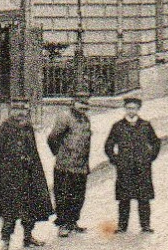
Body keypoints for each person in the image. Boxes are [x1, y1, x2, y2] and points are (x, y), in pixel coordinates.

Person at [0, 99, 54, 250]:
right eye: (17, 109)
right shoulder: (6, 127)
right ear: (12, 111)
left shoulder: (28, 128)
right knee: (9, 210)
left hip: (27, 174)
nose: (21, 112)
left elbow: (33, 151)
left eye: (23, 109)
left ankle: (28, 236)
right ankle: (6, 240)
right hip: (9, 177)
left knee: (29, 208)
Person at [104, 96, 161, 233]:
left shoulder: (146, 125)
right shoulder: (118, 126)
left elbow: (156, 142)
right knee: (124, 198)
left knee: (144, 197)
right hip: (125, 168)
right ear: (125, 109)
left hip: (142, 168)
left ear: (138, 109)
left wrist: (149, 157)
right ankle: (122, 225)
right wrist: (115, 160)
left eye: (134, 108)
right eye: (128, 108)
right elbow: (109, 145)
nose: (131, 111)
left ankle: (145, 225)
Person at [45, 93, 93, 237]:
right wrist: (59, 153)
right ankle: (63, 224)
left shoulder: (86, 119)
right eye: (80, 103)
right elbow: (52, 137)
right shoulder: (65, 117)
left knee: (78, 195)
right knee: (63, 195)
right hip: (65, 165)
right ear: (73, 103)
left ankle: (73, 221)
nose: (83, 107)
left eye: (86, 104)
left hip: (81, 165)